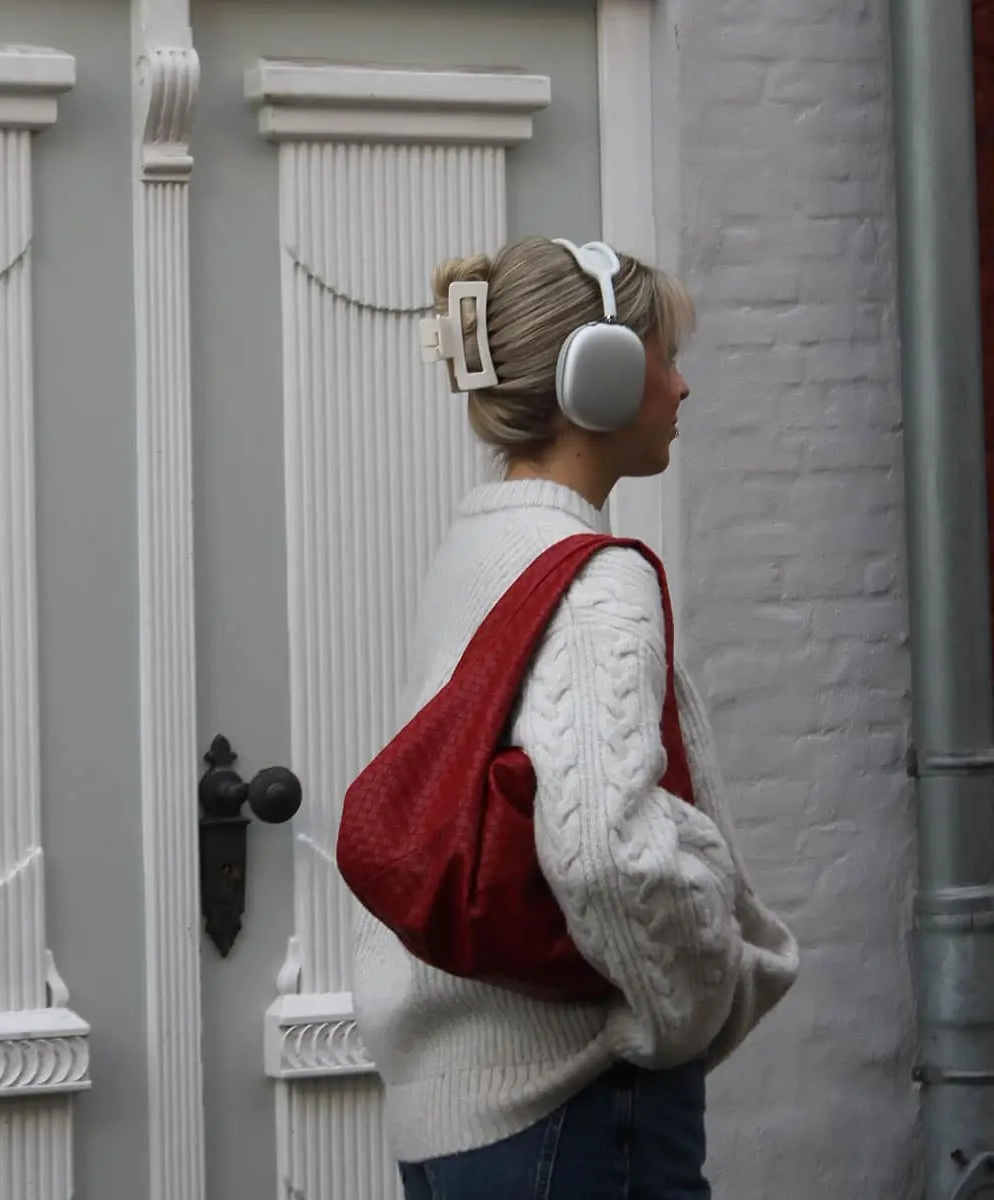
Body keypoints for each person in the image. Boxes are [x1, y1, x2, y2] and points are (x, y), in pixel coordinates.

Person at [350, 236, 799, 1200]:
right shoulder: (601, 582)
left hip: (453, 1111)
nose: (682, 389)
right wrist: (680, 1017)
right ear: (598, 379)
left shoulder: (477, 549)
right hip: (576, 1108)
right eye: (664, 358)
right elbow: (602, 847)